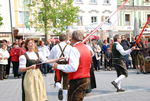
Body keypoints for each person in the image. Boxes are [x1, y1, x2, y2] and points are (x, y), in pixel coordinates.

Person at [53, 30, 92, 101]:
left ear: (72, 38)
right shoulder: (86, 47)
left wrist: (58, 66)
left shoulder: (75, 49)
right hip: (86, 77)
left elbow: (73, 67)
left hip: (77, 79)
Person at [49, 34, 72, 101]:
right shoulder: (69, 47)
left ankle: (59, 88)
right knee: (66, 83)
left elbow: (50, 58)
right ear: (66, 39)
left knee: (57, 81)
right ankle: (64, 99)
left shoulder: (55, 47)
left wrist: (53, 65)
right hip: (66, 66)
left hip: (58, 65)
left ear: (59, 39)